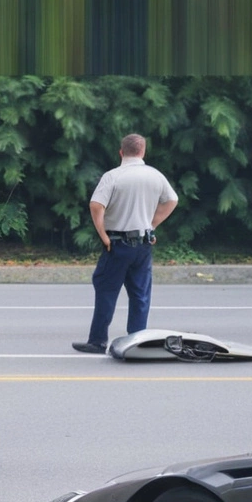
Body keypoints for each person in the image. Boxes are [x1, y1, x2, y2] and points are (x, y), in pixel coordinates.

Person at [72, 134, 179, 354]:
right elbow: (172, 200)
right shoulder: (155, 176)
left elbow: (96, 205)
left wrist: (102, 234)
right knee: (140, 294)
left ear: (121, 152)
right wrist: (152, 224)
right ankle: (136, 340)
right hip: (143, 244)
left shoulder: (113, 176)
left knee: (106, 290)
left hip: (118, 243)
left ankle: (98, 340)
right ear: (143, 151)